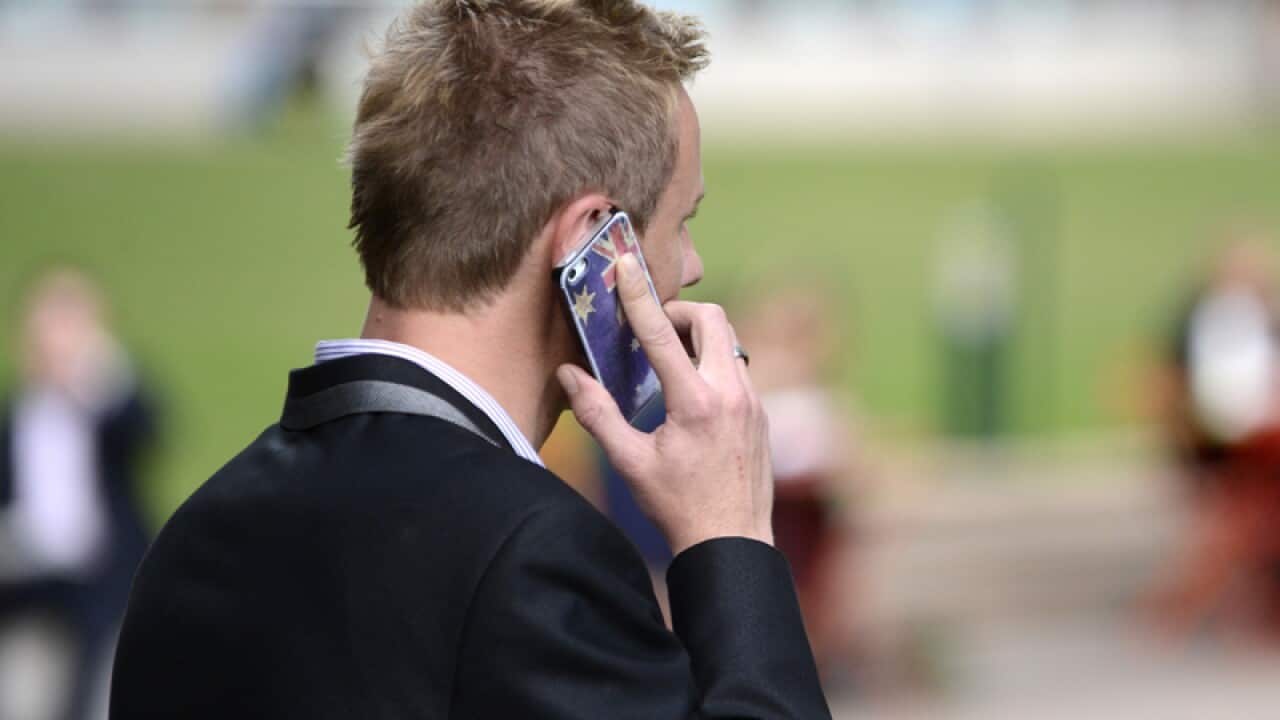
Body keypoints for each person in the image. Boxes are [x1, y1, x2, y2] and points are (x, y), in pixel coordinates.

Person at [109, 2, 830, 718]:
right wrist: (729, 536)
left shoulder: (194, 536)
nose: (693, 266)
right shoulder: (535, 557)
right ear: (595, 245)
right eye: (684, 224)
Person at [0, 267, 156, 720]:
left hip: (101, 577)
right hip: (24, 579)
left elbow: (148, 431)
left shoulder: (110, 405)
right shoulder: (19, 417)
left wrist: (97, 376)